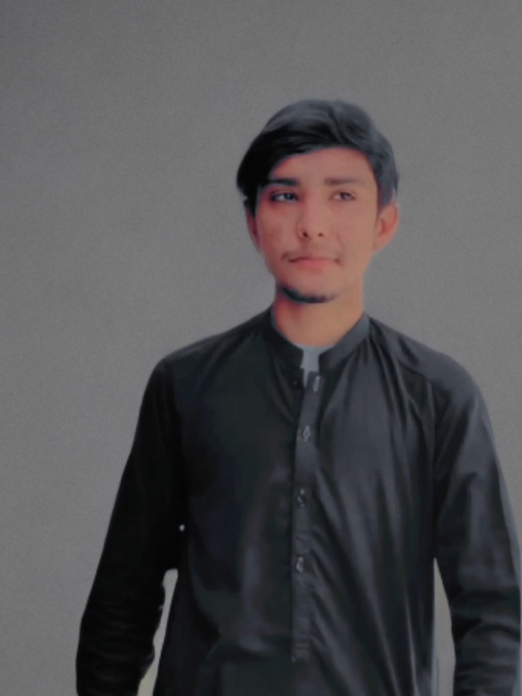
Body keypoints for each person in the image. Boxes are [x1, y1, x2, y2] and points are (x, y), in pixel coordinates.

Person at [76, 99, 521, 696]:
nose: (312, 223)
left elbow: (492, 610)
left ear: (383, 223)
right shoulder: (186, 385)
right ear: (253, 221)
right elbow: (122, 598)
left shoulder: (438, 396)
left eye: (342, 196)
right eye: (285, 196)